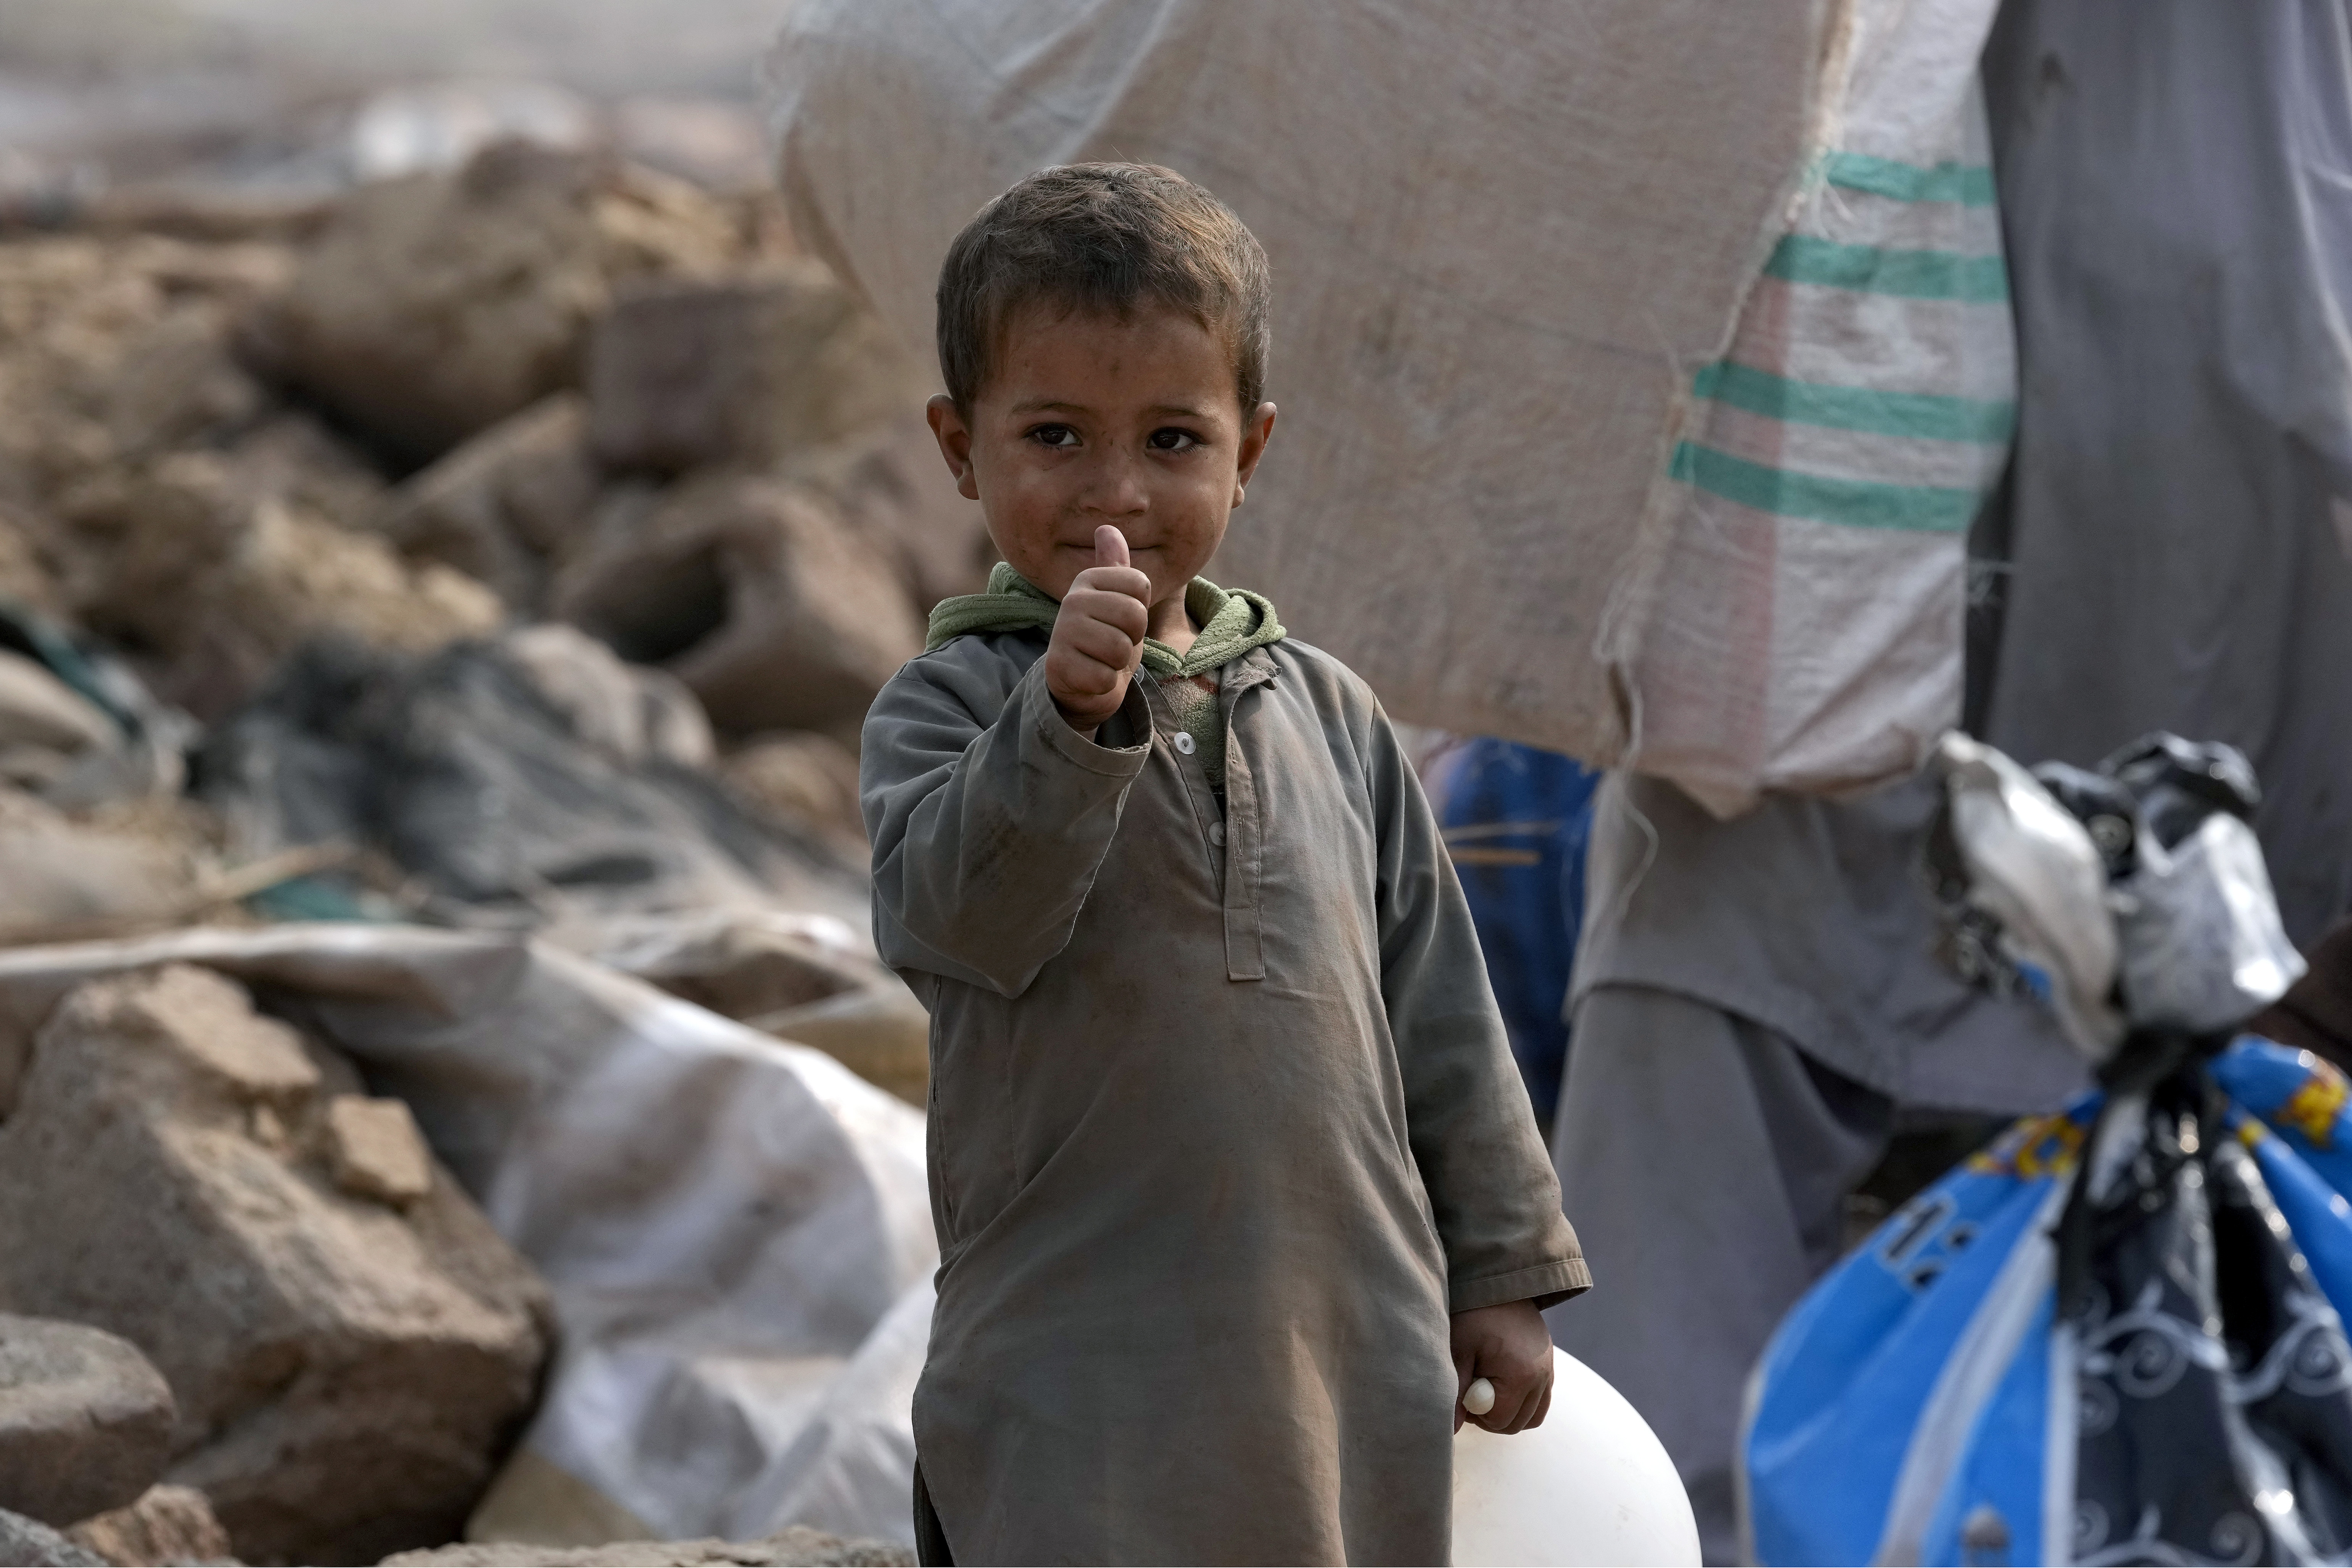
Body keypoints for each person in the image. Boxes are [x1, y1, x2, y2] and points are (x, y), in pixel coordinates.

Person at [861, 162, 1588, 1565]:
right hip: (1080, 1341)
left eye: (1174, 443)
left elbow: (1441, 1006)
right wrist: (1064, 719)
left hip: (1343, 1324)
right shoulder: (948, 702)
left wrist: (1500, 1272)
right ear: (962, 449)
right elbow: (955, 919)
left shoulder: (1328, 711)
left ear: (1251, 450)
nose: (1115, 494)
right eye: (1057, 436)